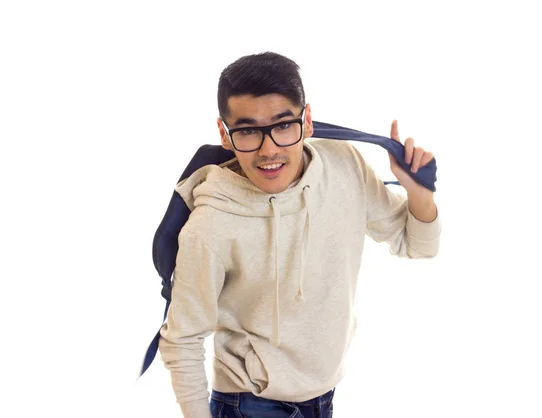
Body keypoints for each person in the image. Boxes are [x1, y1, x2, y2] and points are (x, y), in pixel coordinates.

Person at [158, 51, 441, 418]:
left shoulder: (345, 167)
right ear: (225, 135)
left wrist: (418, 191)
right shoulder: (211, 224)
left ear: (306, 120)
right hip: (250, 405)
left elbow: (418, 245)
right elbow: (182, 341)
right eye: (247, 131)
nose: (269, 149)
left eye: (283, 125)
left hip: (323, 398)